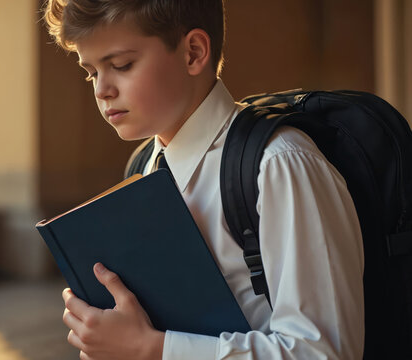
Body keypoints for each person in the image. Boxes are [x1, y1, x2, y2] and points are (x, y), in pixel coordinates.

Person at [43, 1, 365, 359]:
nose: (102, 90)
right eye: (91, 73)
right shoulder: (142, 168)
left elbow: (323, 352)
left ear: (194, 52)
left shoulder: (279, 164)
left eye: (121, 65)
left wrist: (150, 348)